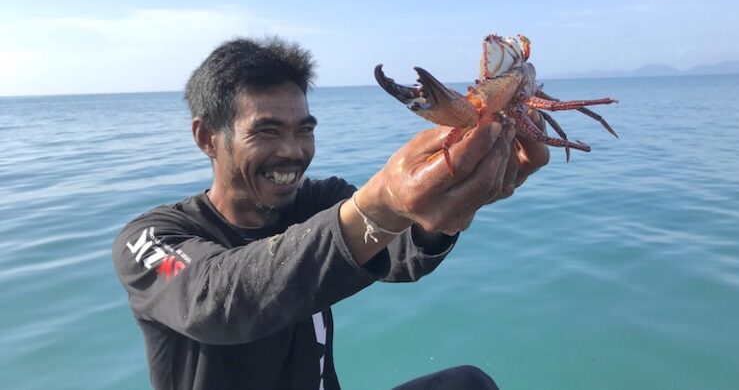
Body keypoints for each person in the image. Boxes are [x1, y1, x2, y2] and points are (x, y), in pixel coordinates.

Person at [113, 36, 549, 390]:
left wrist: (452, 208)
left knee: (466, 386)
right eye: (266, 131)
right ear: (207, 137)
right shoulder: (150, 239)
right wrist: (384, 202)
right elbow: (216, 301)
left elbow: (400, 252)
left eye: (304, 130)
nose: (292, 152)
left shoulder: (319, 200)